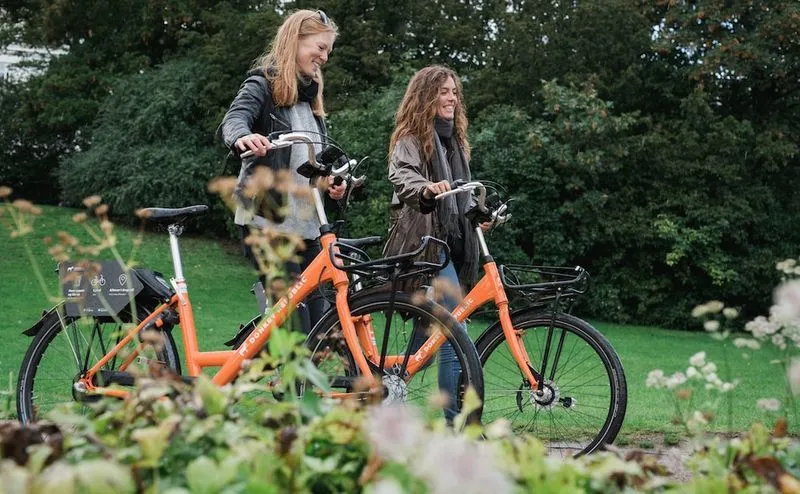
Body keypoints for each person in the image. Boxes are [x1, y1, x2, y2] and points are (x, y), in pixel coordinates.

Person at [219, 9, 345, 334]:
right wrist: (243, 137)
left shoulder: (311, 103)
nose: (324, 57)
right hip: (267, 222)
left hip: (307, 228)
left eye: (328, 50)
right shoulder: (262, 84)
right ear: (295, 41)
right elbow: (234, 119)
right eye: (319, 47)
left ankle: (271, 357)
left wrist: (329, 182)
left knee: (322, 329)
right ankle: (281, 371)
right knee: (297, 329)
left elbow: (308, 163)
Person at [383, 65, 488, 420]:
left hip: (452, 244)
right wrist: (425, 189)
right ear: (426, 96)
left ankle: (390, 378)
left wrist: (479, 215)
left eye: (454, 92)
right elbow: (403, 175)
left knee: (428, 336)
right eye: (443, 92)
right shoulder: (410, 137)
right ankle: (453, 423)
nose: (451, 98)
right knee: (452, 326)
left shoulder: (455, 142)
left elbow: (461, 196)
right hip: (423, 244)